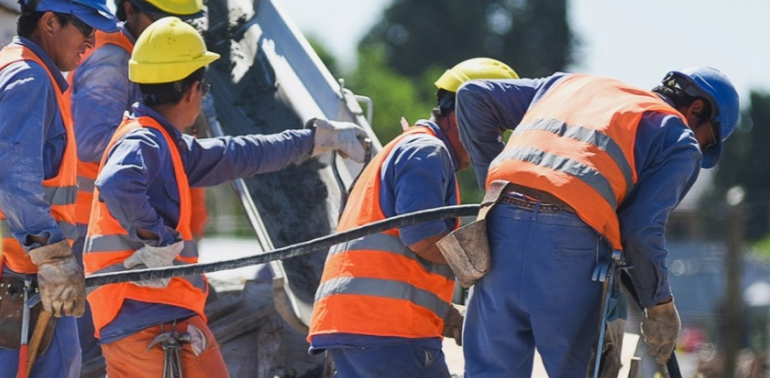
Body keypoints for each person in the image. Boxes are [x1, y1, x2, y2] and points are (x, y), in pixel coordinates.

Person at [83, 16, 368, 378]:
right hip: (152, 317)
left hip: (134, 318)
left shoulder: (162, 142)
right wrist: (156, 238)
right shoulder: (145, 140)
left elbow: (239, 154)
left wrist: (315, 140)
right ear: (191, 91)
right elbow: (117, 182)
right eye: (204, 91)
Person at [454, 67, 740, 378]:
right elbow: (641, 229)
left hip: (499, 230)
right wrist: (659, 306)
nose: (700, 150)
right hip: (569, 248)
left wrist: (496, 185)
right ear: (696, 110)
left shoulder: (571, 85)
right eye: (707, 142)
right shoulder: (677, 135)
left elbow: (473, 96)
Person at [307, 58, 520, 377]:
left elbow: (394, 257)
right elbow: (423, 237)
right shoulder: (427, 152)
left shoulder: (405, 149)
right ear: (467, 115)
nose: (497, 143)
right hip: (387, 334)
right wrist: (490, 263)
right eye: (496, 130)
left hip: (357, 327)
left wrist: (443, 314)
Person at [68, 0, 206, 363]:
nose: (171, 29)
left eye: (178, 20)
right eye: (162, 17)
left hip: (129, 232)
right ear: (128, 10)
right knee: (94, 355)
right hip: (97, 232)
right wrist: (161, 128)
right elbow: (93, 142)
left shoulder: (140, 61)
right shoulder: (113, 61)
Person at [0, 0, 119, 377]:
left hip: (26, 275)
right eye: (85, 27)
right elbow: (12, 176)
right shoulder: (30, 78)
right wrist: (50, 256)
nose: (91, 41)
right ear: (50, 21)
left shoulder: (20, 70)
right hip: (22, 277)